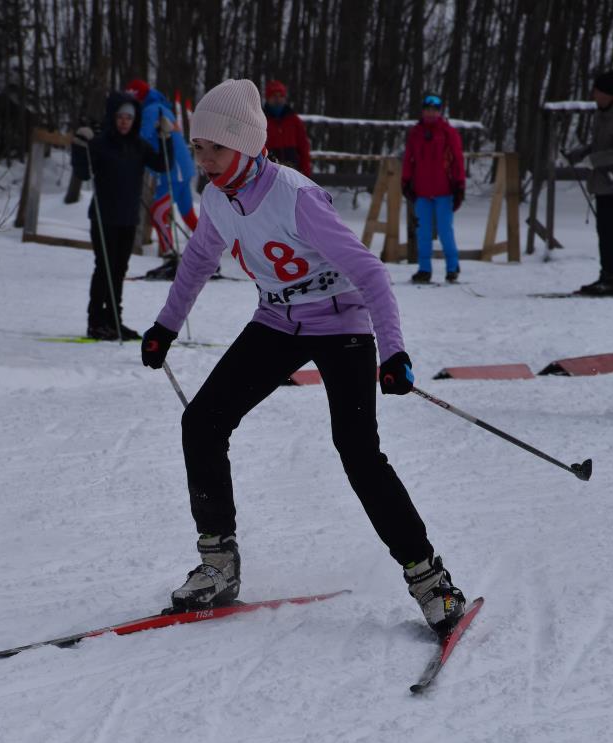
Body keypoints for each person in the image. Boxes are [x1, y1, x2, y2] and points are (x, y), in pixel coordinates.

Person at [139, 78, 466, 637]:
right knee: (203, 421)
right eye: (198, 148)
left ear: (246, 145)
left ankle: (431, 581)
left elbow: (370, 272)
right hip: (277, 320)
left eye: (215, 148)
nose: (205, 160)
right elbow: (196, 262)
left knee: (358, 451)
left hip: (341, 323)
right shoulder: (217, 199)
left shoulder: (296, 196)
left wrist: (393, 352)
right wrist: (165, 327)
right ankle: (218, 563)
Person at [72, 92, 171, 339]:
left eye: (129, 117)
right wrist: (79, 146)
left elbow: (162, 165)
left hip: (128, 218)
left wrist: (166, 138)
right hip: (104, 217)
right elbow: (83, 173)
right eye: (120, 117)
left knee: (118, 271)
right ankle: (96, 322)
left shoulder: (138, 145)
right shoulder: (100, 144)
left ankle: (114, 319)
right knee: (104, 268)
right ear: (113, 118)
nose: (124, 122)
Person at [125, 79, 199, 280]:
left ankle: (170, 257)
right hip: (179, 169)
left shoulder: (152, 110)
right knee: (187, 214)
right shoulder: (157, 107)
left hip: (174, 171)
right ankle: (209, 256)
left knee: (158, 212)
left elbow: (142, 138)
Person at [401, 94, 466, 285]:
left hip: (444, 191)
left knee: (445, 231)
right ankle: (424, 269)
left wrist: (460, 185)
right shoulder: (416, 133)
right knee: (423, 232)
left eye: (434, 110)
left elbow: (457, 159)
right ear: (423, 111)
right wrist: (405, 181)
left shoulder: (448, 132)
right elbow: (409, 159)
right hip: (422, 192)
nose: (431, 113)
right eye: (427, 109)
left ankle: (452, 267)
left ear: (440, 112)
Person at [567, 70, 613, 296]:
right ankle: (607, 275)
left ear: (609, 93)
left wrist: (595, 160)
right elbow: (599, 144)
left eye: (597, 91)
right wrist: (579, 154)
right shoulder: (601, 113)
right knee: (604, 232)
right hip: (603, 185)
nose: (594, 95)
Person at [263, 79, 312, 177]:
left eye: (281, 96)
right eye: (274, 96)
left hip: (293, 172)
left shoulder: (294, 120)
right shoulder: (261, 120)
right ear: (268, 98)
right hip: (268, 173)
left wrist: (306, 171)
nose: (278, 99)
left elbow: (303, 147)